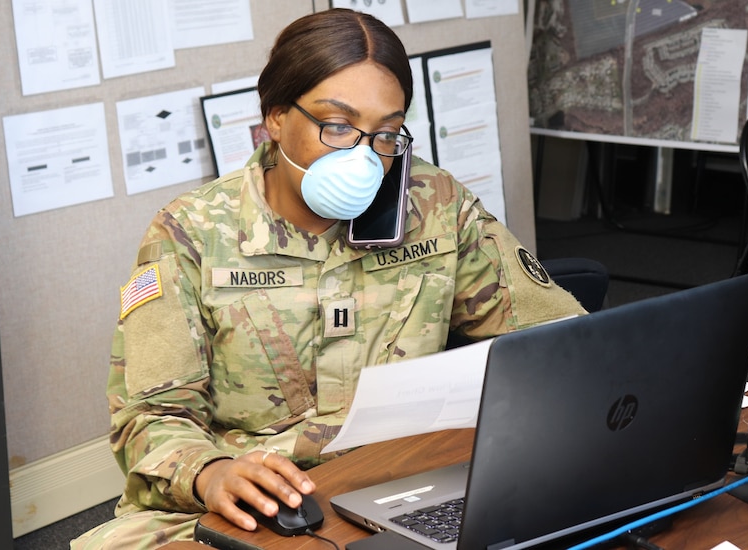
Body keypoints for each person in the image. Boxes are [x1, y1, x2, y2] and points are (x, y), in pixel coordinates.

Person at [72, 8, 585, 549]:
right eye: (337, 125)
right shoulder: (191, 232)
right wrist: (211, 472)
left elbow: (558, 343)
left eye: (385, 131)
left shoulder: (435, 204)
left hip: (401, 475)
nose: (364, 157)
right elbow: (150, 416)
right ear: (273, 117)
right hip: (257, 495)